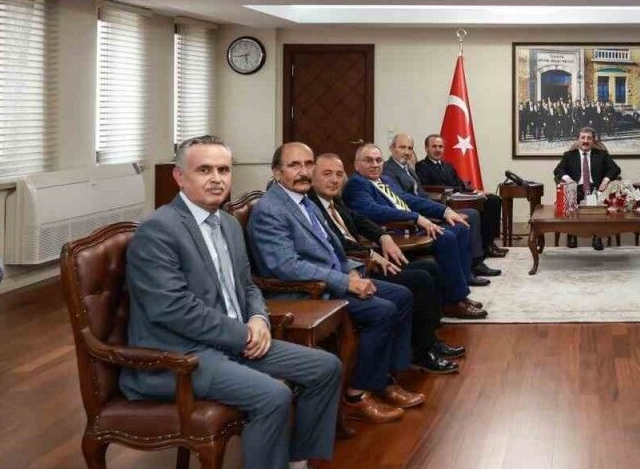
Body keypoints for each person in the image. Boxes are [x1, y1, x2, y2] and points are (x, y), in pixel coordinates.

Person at [120, 136, 342, 469]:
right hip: (180, 357)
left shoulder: (227, 223)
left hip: (232, 342)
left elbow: (247, 284)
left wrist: (258, 319)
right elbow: (173, 309)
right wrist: (243, 335)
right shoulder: (158, 230)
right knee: (273, 396)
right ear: (179, 177)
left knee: (326, 368)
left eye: (223, 170)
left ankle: (297, 461)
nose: (217, 179)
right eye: (204, 170)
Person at [249, 143, 418, 423]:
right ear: (277, 172)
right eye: (294, 165)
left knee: (402, 295)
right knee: (382, 310)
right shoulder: (271, 209)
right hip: (304, 293)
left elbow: (332, 247)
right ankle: (357, 395)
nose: (303, 171)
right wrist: (344, 282)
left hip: (331, 278)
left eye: (308, 164)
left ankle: (384, 380)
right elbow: (285, 266)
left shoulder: (304, 201)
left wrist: (352, 271)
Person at [309, 151, 473, 369]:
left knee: (430, 268)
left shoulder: (334, 201)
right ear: (313, 177)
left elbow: (359, 219)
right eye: (327, 174)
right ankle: (422, 352)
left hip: (368, 255)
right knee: (421, 279)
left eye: (339, 174)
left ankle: (429, 342)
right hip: (353, 268)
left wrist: (382, 236)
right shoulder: (313, 205)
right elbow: (336, 243)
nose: (334, 180)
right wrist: (370, 254)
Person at [344, 144, 491, 307]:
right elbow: (372, 210)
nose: (375, 164)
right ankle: (453, 302)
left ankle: (462, 285)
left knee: (459, 227)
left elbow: (408, 199)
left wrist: (444, 211)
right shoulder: (357, 184)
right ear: (357, 164)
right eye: (368, 160)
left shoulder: (384, 180)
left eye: (378, 160)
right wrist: (415, 217)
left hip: (409, 226)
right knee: (446, 237)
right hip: (393, 232)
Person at [383, 133, 496, 278]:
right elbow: (403, 199)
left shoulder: (408, 169)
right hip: (413, 218)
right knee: (468, 218)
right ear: (392, 148)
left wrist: (440, 208)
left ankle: (473, 264)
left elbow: (422, 194)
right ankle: (472, 266)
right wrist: (441, 210)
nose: (406, 152)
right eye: (402, 147)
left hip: (427, 209)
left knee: (474, 212)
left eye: (410, 148)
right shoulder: (388, 170)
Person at [416, 133, 507, 259]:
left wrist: (476, 192)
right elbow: (427, 189)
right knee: (477, 210)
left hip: (459, 198)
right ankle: (482, 248)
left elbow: (460, 184)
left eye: (440, 147)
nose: (438, 150)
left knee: (492, 200)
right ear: (426, 148)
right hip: (443, 203)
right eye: (434, 146)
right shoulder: (421, 166)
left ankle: (489, 243)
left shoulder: (448, 166)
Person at [551, 126, 622, 250]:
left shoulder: (602, 155)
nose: (585, 141)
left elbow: (615, 169)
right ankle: (572, 235)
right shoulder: (569, 155)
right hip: (576, 188)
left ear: (593, 141)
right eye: (583, 137)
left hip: (596, 188)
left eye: (589, 138)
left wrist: (606, 180)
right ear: (578, 140)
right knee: (571, 198)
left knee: (597, 202)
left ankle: (597, 237)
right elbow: (558, 170)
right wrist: (568, 180)